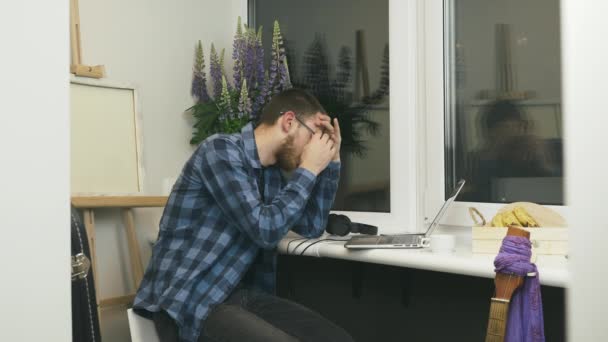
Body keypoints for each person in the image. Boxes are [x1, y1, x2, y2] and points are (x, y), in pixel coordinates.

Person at [133, 88, 353, 342]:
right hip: (191, 298)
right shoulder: (220, 151)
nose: (315, 148)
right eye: (315, 138)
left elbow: (311, 226)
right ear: (289, 122)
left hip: (238, 295)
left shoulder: (270, 176)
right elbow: (265, 229)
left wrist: (332, 162)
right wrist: (309, 168)